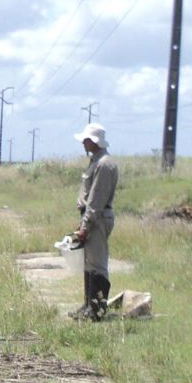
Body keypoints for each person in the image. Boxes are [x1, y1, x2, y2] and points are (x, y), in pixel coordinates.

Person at [70, 122, 119, 320]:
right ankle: (88, 306)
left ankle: (97, 310)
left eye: (86, 139)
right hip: (91, 218)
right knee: (89, 263)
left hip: (97, 218)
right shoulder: (97, 161)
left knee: (97, 264)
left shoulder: (104, 164)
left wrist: (86, 225)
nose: (83, 143)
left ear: (94, 141)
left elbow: (96, 200)